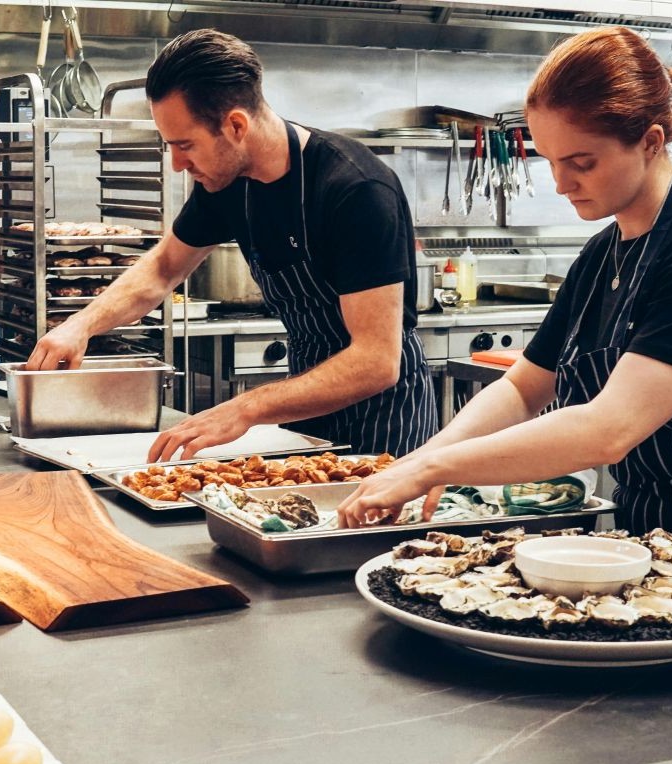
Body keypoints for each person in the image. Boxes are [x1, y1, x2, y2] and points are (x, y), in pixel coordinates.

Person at [338, 26, 672, 549]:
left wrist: (436, 466)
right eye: (550, 160)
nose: (561, 183)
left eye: (581, 162)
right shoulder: (602, 254)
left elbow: (608, 429)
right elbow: (524, 388)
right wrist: (420, 463)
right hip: (652, 542)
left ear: (651, 141)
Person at [25, 29, 437, 461]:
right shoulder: (227, 184)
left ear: (236, 125)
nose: (178, 164)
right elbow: (164, 267)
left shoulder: (354, 188)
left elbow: (376, 361)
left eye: (185, 145)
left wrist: (246, 407)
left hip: (386, 422)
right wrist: (80, 326)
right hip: (305, 405)